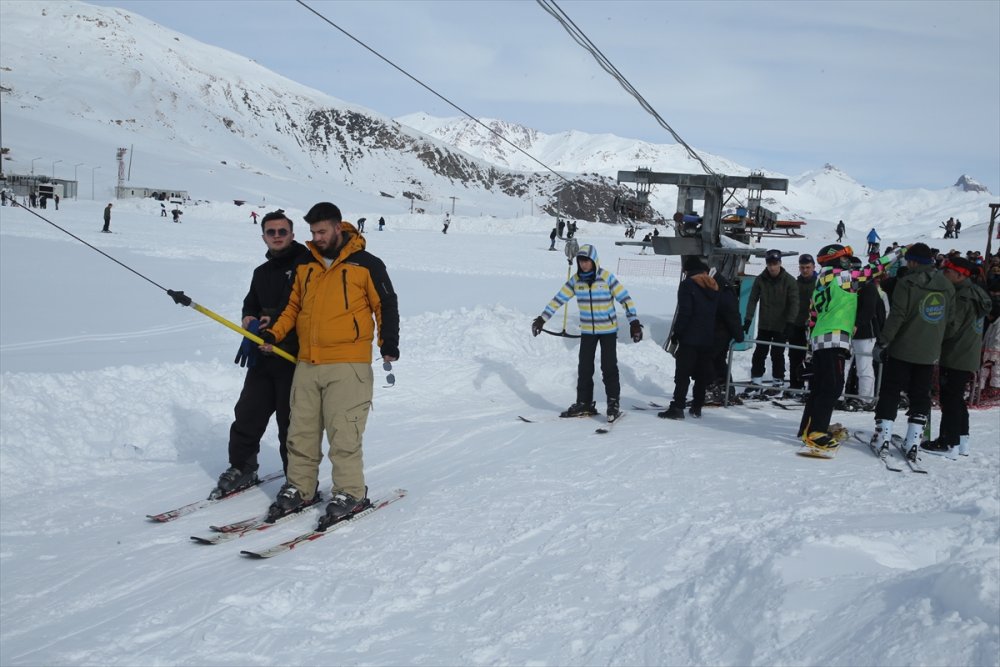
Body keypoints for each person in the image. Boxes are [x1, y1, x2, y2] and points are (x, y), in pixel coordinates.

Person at [259, 202, 399, 529]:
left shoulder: (367, 264)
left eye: (322, 231)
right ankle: (301, 489)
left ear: (338, 227)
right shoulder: (307, 265)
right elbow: (293, 306)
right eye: (312, 232)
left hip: (348, 364)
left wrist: (388, 342)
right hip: (308, 363)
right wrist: (275, 334)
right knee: (301, 432)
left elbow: (385, 303)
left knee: (343, 432)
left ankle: (350, 493)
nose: (317, 238)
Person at [211, 210, 316, 498]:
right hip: (264, 356)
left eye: (283, 231)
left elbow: (305, 307)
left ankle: (298, 480)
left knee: (290, 423)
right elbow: (250, 306)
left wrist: (276, 321)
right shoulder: (261, 272)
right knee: (247, 413)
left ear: (292, 234)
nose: (278, 236)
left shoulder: (307, 264)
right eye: (272, 232)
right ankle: (243, 466)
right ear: (264, 237)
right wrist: (250, 321)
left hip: (294, 358)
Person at [798, 244, 897, 449]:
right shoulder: (842, 278)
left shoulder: (821, 280)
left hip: (819, 339)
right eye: (845, 258)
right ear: (835, 259)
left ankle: (808, 428)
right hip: (834, 338)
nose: (848, 262)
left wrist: (809, 348)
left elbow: (812, 316)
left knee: (819, 387)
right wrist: (900, 253)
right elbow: (873, 269)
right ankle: (816, 432)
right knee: (833, 387)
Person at [531, 243, 642, 421]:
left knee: (608, 367)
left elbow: (625, 298)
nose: (583, 264)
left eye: (586, 261)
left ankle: (613, 403)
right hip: (588, 332)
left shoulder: (606, 277)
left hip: (608, 331)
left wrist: (634, 322)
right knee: (584, 368)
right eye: (581, 261)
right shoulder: (576, 281)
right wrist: (542, 319)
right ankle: (584, 403)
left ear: (594, 261)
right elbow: (558, 299)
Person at [870, 243, 955, 461]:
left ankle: (884, 436)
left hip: (903, 348)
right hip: (929, 352)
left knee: (890, 390)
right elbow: (950, 320)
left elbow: (897, 316)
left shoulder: (906, 282)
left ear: (915, 261)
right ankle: (913, 440)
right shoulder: (946, 285)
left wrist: (883, 342)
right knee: (920, 394)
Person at [920, 256, 991, 458]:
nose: (944, 275)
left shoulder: (962, 296)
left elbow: (952, 327)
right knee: (956, 398)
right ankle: (961, 440)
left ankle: (947, 442)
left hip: (956, 353)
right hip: (967, 353)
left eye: (948, 272)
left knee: (950, 399)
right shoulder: (976, 292)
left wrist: (933, 333)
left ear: (960, 275)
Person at [659, 257, 720, 419]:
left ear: (688, 271)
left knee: (683, 374)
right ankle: (697, 406)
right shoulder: (714, 286)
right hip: (707, 338)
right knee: (701, 374)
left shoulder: (687, 285)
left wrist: (677, 333)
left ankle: (678, 407)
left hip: (690, 338)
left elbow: (685, 312)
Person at [743, 249, 798, 388]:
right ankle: (756, 380)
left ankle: (778, 381)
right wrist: (748, 319)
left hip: (781, 326)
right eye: (769, 264)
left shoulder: (789, 281)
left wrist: (790, 322)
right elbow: (752, 300)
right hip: (765, 325)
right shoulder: (760, 279)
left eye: (775, 263)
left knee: (777, 353)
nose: (772, 267)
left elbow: (794, 303)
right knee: (759, 352)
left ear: (780, 263)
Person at [841, 257, 884, 409]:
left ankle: (865, 398)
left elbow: (870, 310)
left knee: (863, 366)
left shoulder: (868, 287)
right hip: (845, 330)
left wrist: (857, 324)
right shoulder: (845, 286)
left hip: (865, 332)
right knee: (842, 365)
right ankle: (838, 395)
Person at [788, 254, 817, 397]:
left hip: (814, 327)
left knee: (812, 358)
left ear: (813, 267)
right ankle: (795, 385)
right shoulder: (795, 283)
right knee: (795, 356)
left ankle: (813, 386)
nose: (805, 270)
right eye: (802, 268)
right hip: (797, 325)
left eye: (807, 267)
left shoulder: (819, 283)